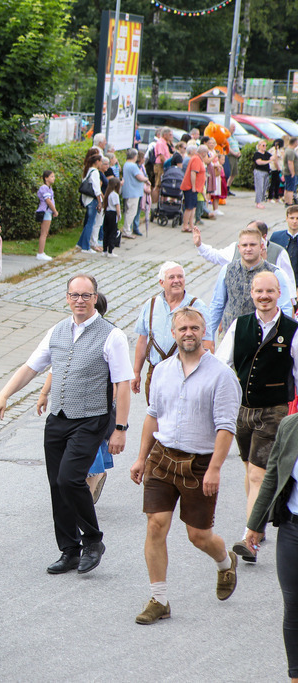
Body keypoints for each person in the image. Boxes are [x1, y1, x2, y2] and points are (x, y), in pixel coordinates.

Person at [0, 274, 132, 574]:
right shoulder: (57, 331)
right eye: (74, 295)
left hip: (91, 418)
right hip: (59, 418)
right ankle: (69, 550)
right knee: (56, 486)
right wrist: (2, 396)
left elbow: (124, 384)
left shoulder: (112, 335)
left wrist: (121, 429)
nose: (79, 300)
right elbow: (30, 368)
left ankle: (92, 540)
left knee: (70, 479)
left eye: (85, 295)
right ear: (66, 297)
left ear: (94, 297)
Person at [128, 306, 242, 625]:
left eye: (194, 328)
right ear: (174, 333)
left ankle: (224, 561)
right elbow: (152, 415)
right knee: (156, 524)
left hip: (200, 463)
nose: (188, 333)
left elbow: (225, 426)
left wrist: (215, 468)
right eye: (182, 329)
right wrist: (141, 457)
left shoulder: (221, 375)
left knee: (198, 536)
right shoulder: (162, 370)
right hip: (162, 458)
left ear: (203, 333)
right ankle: (159, 599)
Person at [216, 271, 298, 563]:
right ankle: (258, 521)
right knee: (249, 468)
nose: (264, 297)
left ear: (279, 294)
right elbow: (222, 366)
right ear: (251, 293)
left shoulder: (293, 330)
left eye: (270, 292)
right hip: (242, 410)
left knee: (257, 473)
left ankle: (249, 538)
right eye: (259, 291)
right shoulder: (240, 325)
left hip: (275, 410)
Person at [37, 293, 115, 503]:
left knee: (90, 459)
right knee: (71, 466)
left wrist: (115, 418)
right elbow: (56, 368)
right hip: (68, 412)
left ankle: (85, 498)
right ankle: (80, 502)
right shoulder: (65, 334)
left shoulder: (108, 335)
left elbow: (118, 382)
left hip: (95, 411)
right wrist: (44, 393)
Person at [244, 412, 298, 681]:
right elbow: (273, 476)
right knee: (294, 606)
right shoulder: (290, 426)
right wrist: (255, 524)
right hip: (292, 528)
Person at [132, 261, 212, 404]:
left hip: (186, 372)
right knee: (155, 418)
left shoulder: (197, 306)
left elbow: (207, 342)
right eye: (172, 277)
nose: (177, 281)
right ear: (161, 282)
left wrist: (205, 375)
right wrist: (136, 373)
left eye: (180, 277)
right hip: (155, 373)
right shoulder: (150, 305)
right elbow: (142, 341)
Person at [206, 226, 294, 336]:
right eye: (244, 245)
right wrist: (208, 336)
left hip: (263, 337)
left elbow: (285, 307)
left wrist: (283, 335)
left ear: (262, 246)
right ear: (239, 247)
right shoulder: (227, 270)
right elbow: (217, 304)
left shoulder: (275, 273)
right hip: (229, 334)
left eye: (252, 245)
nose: (248, 249)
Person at [194, 221, 296, 299]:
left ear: (263, 237)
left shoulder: (278, 253)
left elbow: (289, 284)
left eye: (252, 233)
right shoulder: (235, 249)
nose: (248, 248)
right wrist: (200, 245)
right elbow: (216, 256)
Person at [76, 148, 103, 254]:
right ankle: (86, 247)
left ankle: (80, 243)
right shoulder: (95, 172)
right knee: (90, 223)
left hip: (87, 200)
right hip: (92, 200)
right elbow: (97, 189)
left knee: (89, 222)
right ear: (97, 162)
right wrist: (100, 201)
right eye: (100, 161)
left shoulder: (88, 170)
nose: (101, 163)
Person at [121, 148, 149, 239]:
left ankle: (127, 229)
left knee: (128, 211)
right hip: (133, 192)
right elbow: (139, 177)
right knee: (131, 212)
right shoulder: (133, 166)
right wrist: (146, 179)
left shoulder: (126, 164)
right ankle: (127, 230)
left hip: (129, 191)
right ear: (134, 156)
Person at [270, 205, 298, 293]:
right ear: (286, 218)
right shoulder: (276, 236)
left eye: (297, 218)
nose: (294, 221)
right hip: (278, 283)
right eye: (292, 218)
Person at [181, 145, 208, 233]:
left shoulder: (198, 158)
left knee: (193, 207)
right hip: (191, 187)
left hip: (196, 188)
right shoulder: (196, 159)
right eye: (206, 153)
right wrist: (193, 186)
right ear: (203, 153)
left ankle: (191, 224)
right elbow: (193, 173)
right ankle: (185, 226)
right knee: (189, 207)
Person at [36, 170, 58, 261]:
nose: (54, 178)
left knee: (45, 233)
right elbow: (48, 201)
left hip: (48, 212)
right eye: (52, 176)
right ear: (46, 178)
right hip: (45, 212)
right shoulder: (44, 188)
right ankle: (40, 253)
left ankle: (42, 251)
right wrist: (55, 211)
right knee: (44, 233)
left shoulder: (49, 188)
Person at [101, 177, 121, 257]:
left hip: (107, 213)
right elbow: (117, 206)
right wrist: (119, 215)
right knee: (112, 232)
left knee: (106, 232)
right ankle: (110, 251)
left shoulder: (107, 194)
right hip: (113, 214)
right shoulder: (115, 195)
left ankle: (104, 250)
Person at [254, 139, 272, 209]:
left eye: (266, 145)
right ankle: (258, 202)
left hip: (266, 172)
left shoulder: (267, 154)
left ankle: (261, 200)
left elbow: (273, 157)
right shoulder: (257, 154)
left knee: (264, 187)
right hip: (259, 171)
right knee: (259, 187)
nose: (264, 147)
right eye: (263, 145)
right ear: (259, 146)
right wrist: (269, 161)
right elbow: (259, 162)